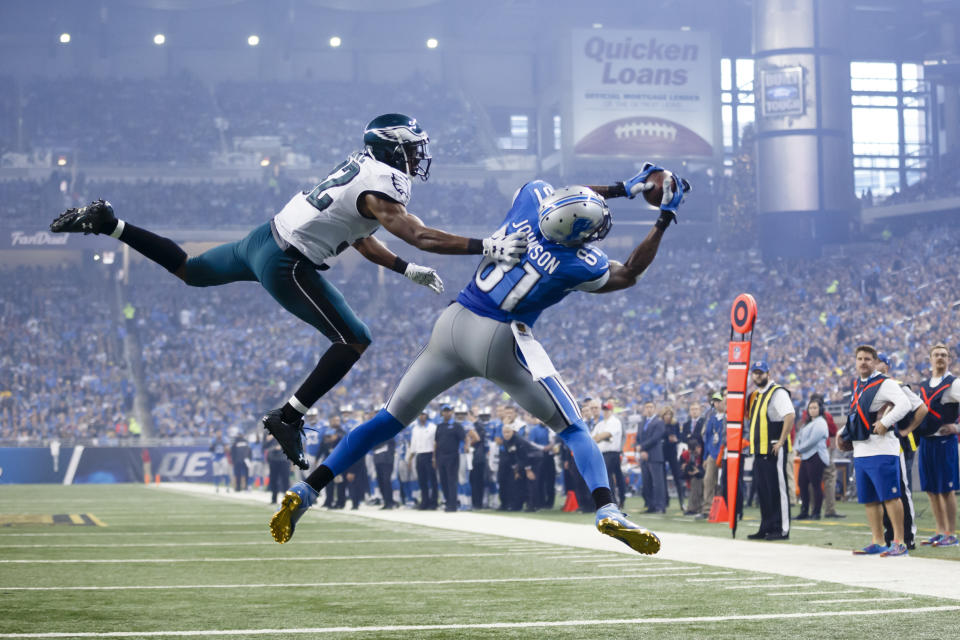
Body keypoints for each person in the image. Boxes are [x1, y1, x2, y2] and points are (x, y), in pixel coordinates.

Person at [50, 113, 526, 469]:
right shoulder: (383, 183)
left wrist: (405, 270)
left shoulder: (361, 171)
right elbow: (418, 233)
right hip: (287, 261)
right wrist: (486, 244)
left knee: (191, 270)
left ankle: (111, 225)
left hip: (263, 239)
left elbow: (359, 236)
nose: (418, 156)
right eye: (412, 148)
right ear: (391, 150)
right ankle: (289, 416)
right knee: (354, 339)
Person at [269, 163, 690, 554]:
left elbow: (566, 194)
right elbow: (630, 272)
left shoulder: (530, 202)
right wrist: (663, 217)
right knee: (573, 426)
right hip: (500, 338)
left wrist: (623, 188)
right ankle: (607, 509)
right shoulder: (578, 262)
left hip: (452, 324)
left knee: (387, 418)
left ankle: (307, 490)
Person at [838, 345, 911, 557]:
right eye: (859, 358)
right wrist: (842, 433)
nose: (863, 362)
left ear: (875, 361)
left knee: (890, 496)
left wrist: (886, 422)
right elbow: (857, 415)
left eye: (867, 359)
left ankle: (899, 541)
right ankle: (878, 540)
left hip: (881, 449)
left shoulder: (884, 383)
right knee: (869, 499)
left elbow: (904, 404)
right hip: (861, 451)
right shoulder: (859, 385)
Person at [876, 352, 927, 549]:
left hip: (901, 445)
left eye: (878, 362)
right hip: (883, 446)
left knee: (901, 490)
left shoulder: (897, 386)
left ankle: (907, 535)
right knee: (887, 492)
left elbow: (922, 408)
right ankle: (891, 535)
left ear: (886, 367)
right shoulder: (873, 389)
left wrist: (907, 430)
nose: (873, 365)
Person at [915, 343, 960, 547]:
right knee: (932, 490)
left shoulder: (954, 383)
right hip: (926, 441)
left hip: (944, 442)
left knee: (946, 489)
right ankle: (940, 531)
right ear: (930, 359)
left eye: (944, 354)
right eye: (936, 354)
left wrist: (957, 428)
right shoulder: (923, 386)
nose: (940, 358)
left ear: (949, 359)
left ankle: (951, 533)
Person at [745, 361, 795, 541]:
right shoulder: (755, 396)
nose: (758, 376)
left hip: (774, 448)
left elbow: (789, 415)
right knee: (764, 491)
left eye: (761, 373)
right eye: (755, 373)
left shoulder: (778, 392)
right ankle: (766, 526)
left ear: (768, 373)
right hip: (759, 449)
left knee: (778, 490)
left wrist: (781, 441)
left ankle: (782, 529)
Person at [794, 397, 829, 520]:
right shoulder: (807, 423)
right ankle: (804, 511)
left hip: (816, 456)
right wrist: (798, 448)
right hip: (806, 457)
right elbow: (799, 438)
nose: (812, 410)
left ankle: (816, 512)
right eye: (810, 408)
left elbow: (813, 440)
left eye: (815, 408)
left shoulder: (821, 422)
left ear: (820, 409)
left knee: (816, 485)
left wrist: (799, 449)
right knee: (802, 484)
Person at [593, 400, 626, 508]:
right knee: (611, 477)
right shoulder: (601, 424)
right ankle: (615, 500)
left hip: (613, 453)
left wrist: (599, 437)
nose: (605, 412)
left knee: (612, 477)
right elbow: (593, 437)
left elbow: (604, 435)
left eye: (607, 409)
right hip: (603, 453)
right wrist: (599, 437)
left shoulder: (615, 421)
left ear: (611, 410)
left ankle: (617, 500)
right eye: (604, 409)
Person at [635, 401, 666, 513]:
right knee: (647, 482)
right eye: (647, 407)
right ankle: (651, 505)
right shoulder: (641, 423)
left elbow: (655, 438)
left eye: (651, 407)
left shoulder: (659, 422)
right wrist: (640, 449)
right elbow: (638, 438)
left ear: (655, 409)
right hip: (644, 457)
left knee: (658, 483)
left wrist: (642, 447)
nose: (649, 409)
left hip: (655, 456)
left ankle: (660, 506)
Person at [698, 392, 725, 519]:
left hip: (725, 453)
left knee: (723, 482)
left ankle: (724, 508)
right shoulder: (711, 419)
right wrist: (705, 457)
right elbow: (707, 439)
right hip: (713, 454)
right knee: (708, 480)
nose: (717, 403)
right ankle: (707, 508)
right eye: (715, 401)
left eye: (719, 401)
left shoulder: (728, 417)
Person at [435, 403, 466, 512]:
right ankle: (448, 502)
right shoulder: (439, 426)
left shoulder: (457, 426)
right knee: (443, 480)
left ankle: (453, 504)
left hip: (452, 455)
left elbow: (464, 438)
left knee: (451, 480)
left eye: (448, 411)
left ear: (451, 412)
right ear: (442, 413)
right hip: (441, 456)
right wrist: (435, 457)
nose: (446, 413)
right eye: (445, 411)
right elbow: (436, 442)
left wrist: (465, 448)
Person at [408, 411, 438, 510]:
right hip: (419, 455)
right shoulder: (415, 428)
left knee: (432, 480)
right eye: (420, 414)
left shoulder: (433, 427)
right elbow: (413, 444)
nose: (422, 416)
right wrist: (410, 458)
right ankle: (424, 502)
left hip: (429, 454)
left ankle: (434, 502)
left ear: (427, 415)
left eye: (424, 414)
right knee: (422, 480)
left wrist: (434, 457)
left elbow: (435, 443)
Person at [661, 406, 685, 512]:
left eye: (669, 414)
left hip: (672, 453)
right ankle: (666, 500)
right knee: (662, 477)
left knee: (678, 477)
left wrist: (676, 439)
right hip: (662, 452)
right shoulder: (660, 424)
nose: (668, 416)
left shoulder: (675, 424)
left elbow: (680, 437)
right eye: (666, 414)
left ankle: (682, 502)